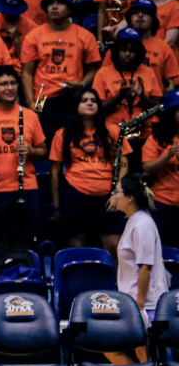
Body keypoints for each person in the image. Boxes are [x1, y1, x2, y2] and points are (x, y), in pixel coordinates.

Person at [0, 65, 48, 242]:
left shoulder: (30, 116)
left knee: (27, 242)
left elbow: (43, 151)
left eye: (13, 83)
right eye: (3, 84)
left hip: (27, 188)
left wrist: (31, 150)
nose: (10, 88)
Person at [49, 87, 132, 254]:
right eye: (84, 100)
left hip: (108, 195)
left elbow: (123, 161)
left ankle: (116, 281)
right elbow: (54, 172)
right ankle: (80, 280)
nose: (90, 103)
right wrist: (57, 206)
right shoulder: (63, 134)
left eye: (94, 101)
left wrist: (118, 192)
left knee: (115, 247)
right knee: (77, 248)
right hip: (74, 193)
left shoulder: (113, 131)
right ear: (75, 105)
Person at [21, 0, 100, 142]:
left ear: (70, 9)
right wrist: (31, 102)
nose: (54, 7)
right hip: (45, 100)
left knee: (74, 145)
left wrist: (81, 84)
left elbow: (93, 69)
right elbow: (27, 72)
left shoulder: (85, 36)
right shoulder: (34, 35)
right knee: (48, 148)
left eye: (60, 3)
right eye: (51, 4)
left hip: (74, 98)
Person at [113, 173, 170, 325]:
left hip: (146, 305)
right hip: (130, 301)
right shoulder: (134, 221)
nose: (114, 196)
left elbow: (145, 266)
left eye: (117, 192)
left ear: (129, 197)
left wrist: (140, 304)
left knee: (135, 348)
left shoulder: (142, 224)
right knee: (112, 348)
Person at [93, 28, 163, 136]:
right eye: (123, 50)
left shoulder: (148, 72)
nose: (127, 54)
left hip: (143, 134)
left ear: (138, 54)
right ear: (116, 52)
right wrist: (119, 96)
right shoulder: (103, 73)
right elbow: (97, 110)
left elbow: (158, 108)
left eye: (132, 51)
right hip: (112, 133)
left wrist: (142, 97)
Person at [109, 0, 179, 91]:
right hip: (120, 100)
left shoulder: (163, 47)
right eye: (136, 12)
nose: (140, 15)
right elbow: (106, 75)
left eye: (146, 13)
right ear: (130, 19)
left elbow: (169, 83)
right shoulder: (118, 46)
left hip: (155, 101)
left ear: (154, 20)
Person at [142, 89, 179, 247]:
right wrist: (168, 154)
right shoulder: (156, 139)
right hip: (165, 204)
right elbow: (146, 168)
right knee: (165, 253)